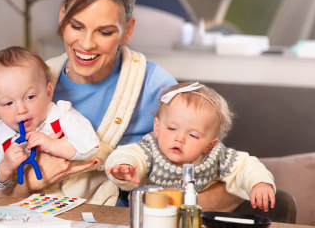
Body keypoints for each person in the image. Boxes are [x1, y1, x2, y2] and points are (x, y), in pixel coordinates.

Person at [0, 0, 178, 205]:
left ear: (127, 30)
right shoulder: (32, 85)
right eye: (76, 26)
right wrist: (31, 184)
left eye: (104, 32)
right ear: (62, 14)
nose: (86, 44)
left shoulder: (157, 87)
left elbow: (211, 176)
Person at [105, 82, 276, 212]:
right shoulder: (150, 148)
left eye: (193, 135)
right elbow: (129, 154)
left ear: (209, 144)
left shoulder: (216, 156)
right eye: (171, 128)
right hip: (151, 217)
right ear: (156, 127)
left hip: (196, 221)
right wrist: (124, 167)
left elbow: (246, 166)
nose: (179, 138)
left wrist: (260, 184)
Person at [0, 46, 100, 190]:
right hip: (30, 203)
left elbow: (90, 145)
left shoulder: (61, 114)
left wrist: (53, 145)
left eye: (30, 97)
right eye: (8, 103)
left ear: (48, 93)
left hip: (76, 194)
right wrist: (4, 167)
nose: (21, 110)